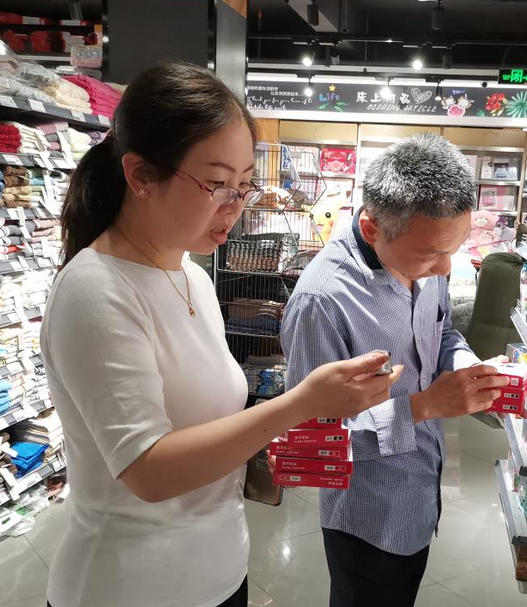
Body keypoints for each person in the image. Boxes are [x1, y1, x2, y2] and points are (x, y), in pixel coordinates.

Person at [41, 63, 401, 607]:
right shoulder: (95, 290)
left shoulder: (191, 275)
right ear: (140, 175)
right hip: (131, 587)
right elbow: (148, 470)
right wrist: (300, 404)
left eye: (244, 184)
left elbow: (202, 425)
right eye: (216, 183)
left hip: (219, 572)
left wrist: (273, 440)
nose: (235, 205)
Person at [281, 133, 512, 607]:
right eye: (429, 255)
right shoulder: (322, 301)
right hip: (367, 516)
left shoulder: (425, 263)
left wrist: (468, 367)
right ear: (372, 229)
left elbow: (442, 334)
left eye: (453, 249)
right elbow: (309, 445)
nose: (444, 268)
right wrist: (422, 407)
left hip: (420, 494)